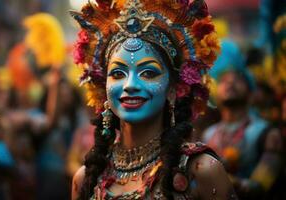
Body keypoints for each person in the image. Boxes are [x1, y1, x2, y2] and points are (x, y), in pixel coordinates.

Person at [70, 0, 236, 199]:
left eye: (148, 73)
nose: (130, 84)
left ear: (173, 90)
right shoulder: (86, 179)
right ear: (103, 87)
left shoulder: (200, 171)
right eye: (118, 73)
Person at [202, 66, 284, 199]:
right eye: (224, 80)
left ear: (251, 95)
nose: (230, 83)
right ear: (215, 95)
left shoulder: (268, 133)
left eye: (238, 80)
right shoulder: (208, 134)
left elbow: (260, 186)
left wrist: (222, 180)